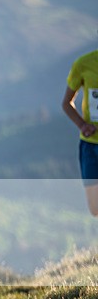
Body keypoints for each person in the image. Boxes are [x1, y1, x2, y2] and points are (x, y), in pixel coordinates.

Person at [62, 48, 98, 215]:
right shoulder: (83, 64)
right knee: (95, 208)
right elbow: (66, 103)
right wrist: (82, 125)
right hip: (90, 146)